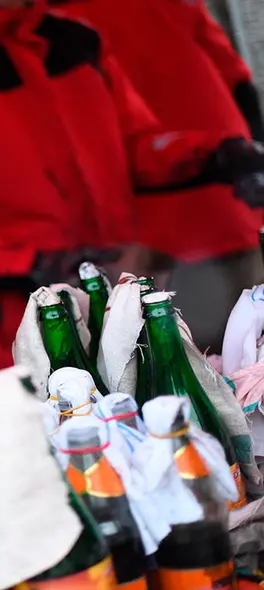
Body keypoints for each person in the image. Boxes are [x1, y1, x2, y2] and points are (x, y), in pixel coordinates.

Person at [0, 0, 264, 367]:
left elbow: (133, 146)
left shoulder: (73, 40)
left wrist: (218, 155)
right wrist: (44, 263)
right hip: (12, 341)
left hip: (114, 309)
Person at [52, 0, 264, 351]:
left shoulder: (48, 26)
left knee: (195, 363)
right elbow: (236, 78)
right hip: (229, 198)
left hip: (156, 235)